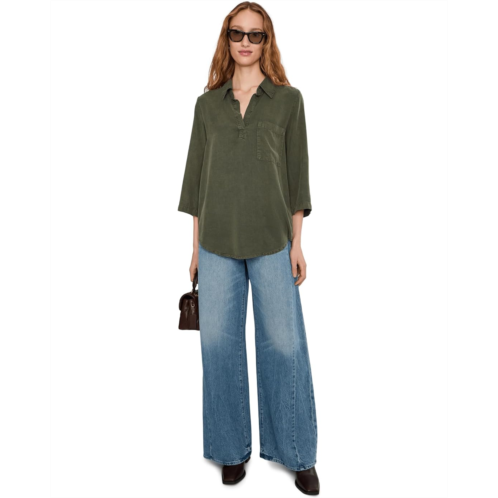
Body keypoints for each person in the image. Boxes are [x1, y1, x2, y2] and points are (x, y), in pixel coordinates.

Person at [178, 2, 319, 495]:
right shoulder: (207, 105)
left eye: (255, 35)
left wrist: (297, 243)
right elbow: (196, 184)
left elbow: (297, 178)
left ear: (266, 41)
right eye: (237, 33)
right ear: (227, 38)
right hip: (216, 242)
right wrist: (195, 249)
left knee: (284, 345)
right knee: (218, 347)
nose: (245, 42)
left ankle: (297, 452)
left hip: (273, 242)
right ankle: (229, 450)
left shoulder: (288, 101)